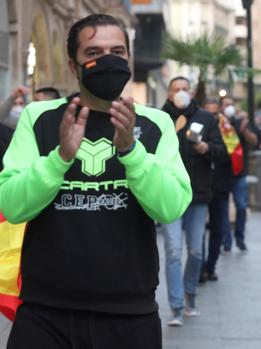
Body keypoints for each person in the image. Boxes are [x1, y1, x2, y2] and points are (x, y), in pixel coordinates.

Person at [0, 14, 191, 348]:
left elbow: (170, 207)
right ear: (74, 66)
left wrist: (132, 151)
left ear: (129, 60)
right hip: (46, 313)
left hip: (129, 314)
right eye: (94, 53)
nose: (107, 61)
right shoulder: (39, 118)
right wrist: (59, 159)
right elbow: (12, 206)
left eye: (117, 52)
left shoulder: (157, 124)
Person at [160, 77, 225, 326]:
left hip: (197, 193)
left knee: (196, 250)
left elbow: (221, 153)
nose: (181, 93)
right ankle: (177, 305)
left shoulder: (205, 119)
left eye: (185, 89)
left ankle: (190, 294)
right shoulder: (160, 119)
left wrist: (206, 148)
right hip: (169, 193)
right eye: (176, 89)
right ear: (168, 93)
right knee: (173, 251)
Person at [198, 97, 235, 282]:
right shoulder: (197, 128)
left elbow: (233, 155)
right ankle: (200, 269)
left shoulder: (228, 130)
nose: (212, 117)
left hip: (220, 186)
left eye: (215, 113)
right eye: (208, 113)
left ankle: (210, 267)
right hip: (201, 186)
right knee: (198, 231)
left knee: (217, 229)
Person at [220, 97, 260, 252]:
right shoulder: (218, 123)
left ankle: (240, 238)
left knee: (241, 206)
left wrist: (244, 130)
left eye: (231, 104)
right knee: (222, 208)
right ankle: (227, 241)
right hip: (222, 173)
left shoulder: (240, 122)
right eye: (226, 105)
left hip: (239, 173)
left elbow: (254, 141)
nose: (229, 107)